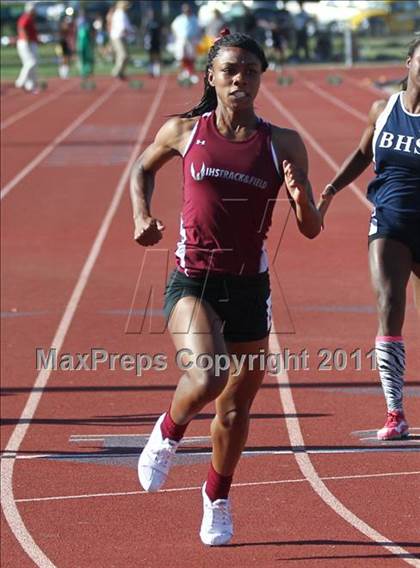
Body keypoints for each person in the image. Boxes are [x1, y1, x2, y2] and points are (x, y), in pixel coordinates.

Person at [130, 30, 321, 546]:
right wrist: (141, 214)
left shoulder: (282, 142)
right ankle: (168, 432)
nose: (241, 79)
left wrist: (301, 196)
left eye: (251, 71)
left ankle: (216, 496)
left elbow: (311, 228)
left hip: (249, 288)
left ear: (262, 78)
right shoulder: (183, 132)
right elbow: (141, 170)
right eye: (231, 69)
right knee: (208, 376)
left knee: (235, 411)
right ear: (211, 76)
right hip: (191, 279)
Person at [318, 38, 420, 441]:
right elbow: (363, 153)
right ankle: (395, 410)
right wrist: (331, 189)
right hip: (390, 222)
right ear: (409, 60)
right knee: (389, 304)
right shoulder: (384, 109)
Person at [171, 3, 202, 83]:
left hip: (192, 40)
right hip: (181, 40)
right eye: (185, 10)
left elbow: (198, 29)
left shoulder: (194, 19)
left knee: (191, 57)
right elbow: (173, 27)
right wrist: (177, 37)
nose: (186, 11)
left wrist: (197, 39)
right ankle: (183, 73)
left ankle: (191, 73)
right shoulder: (179, 19)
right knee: (181, 57)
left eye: (188, 10)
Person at [15, 1, 39, 93]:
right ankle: (20, 82)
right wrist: (26, 39)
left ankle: (30, 85)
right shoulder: (26, 17)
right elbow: (21, 27)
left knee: (31, 64)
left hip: (30, 42)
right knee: (31, 62)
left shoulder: (31, 18)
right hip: (25, 43)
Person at [110, 0, 134, 80]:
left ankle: (121, 73)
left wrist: (131, 31)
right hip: (118, 37)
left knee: (126, 56)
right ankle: (116, 72)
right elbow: (122, 27)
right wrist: (130, 32)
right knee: (123, 55)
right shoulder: (119, 14)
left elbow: (127, 26)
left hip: (121, 37)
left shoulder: (123, 14)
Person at [144, 8, 163, 78]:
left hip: (157, 41)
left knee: (158, 56)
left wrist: (162, 41)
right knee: (150, 57)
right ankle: (150, 71)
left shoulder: (158, 22)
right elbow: (145, 32)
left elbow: (161, 32)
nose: (152, 15)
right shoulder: (147, 22)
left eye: (153, 14)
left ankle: (157, 72)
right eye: (150, 14)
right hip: (150, 42)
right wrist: (146, 41)